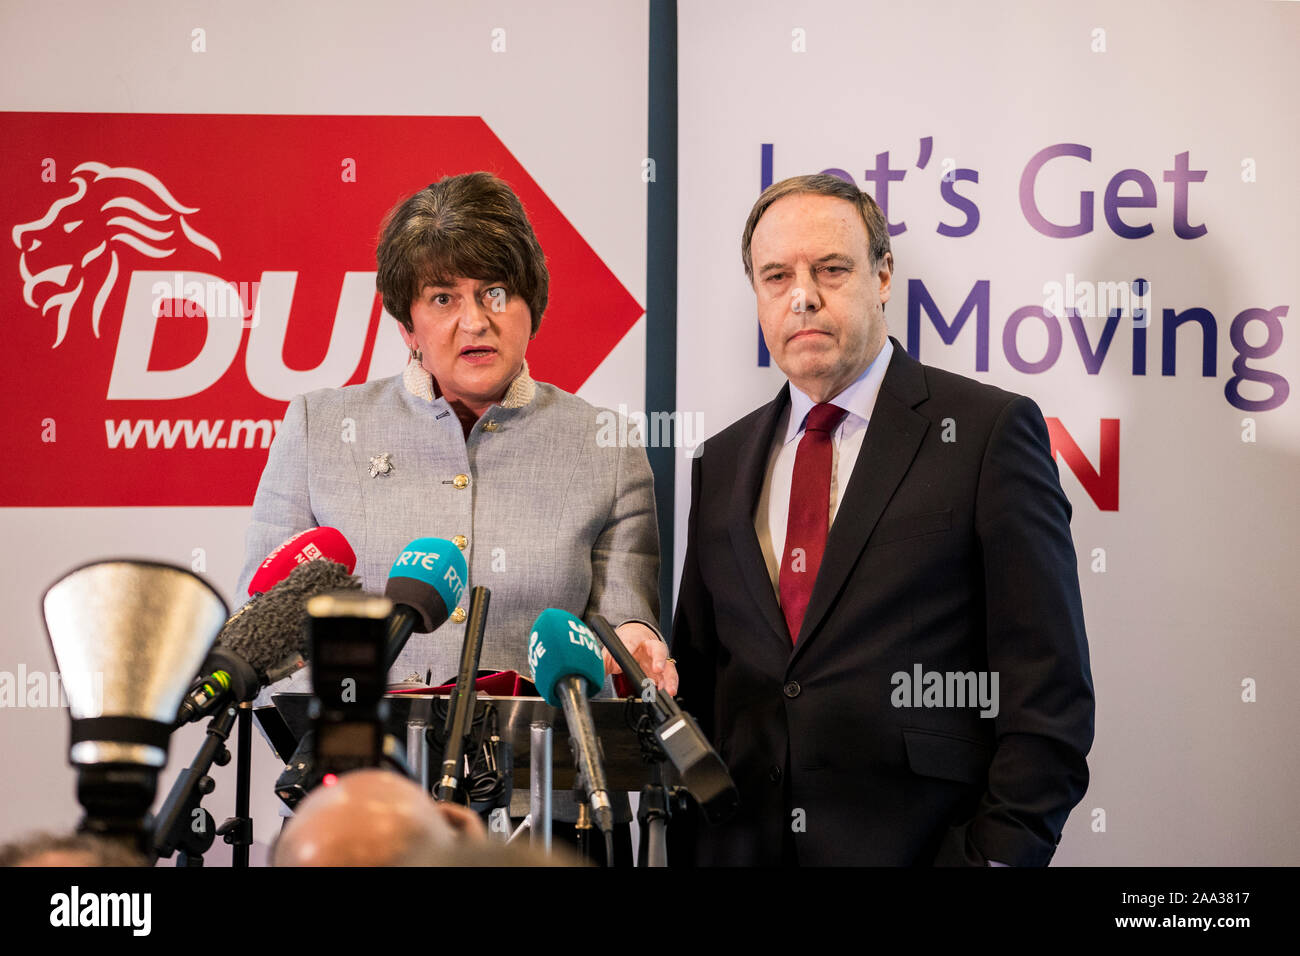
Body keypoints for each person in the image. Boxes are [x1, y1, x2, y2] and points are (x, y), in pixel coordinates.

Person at [670, 174, 1094, 866]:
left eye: (830, 269)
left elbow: (1050, 698)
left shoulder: (987, 434)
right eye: (776, 276)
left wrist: (990, 857)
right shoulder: (719, 462)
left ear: (884, 276)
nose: (802, 295)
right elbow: (698, 683)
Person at [236, 172, 677, 697]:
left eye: (495, 292)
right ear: (407, 326)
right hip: (362, 767)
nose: (475, 321)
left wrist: (634, 642)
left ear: (531, 307)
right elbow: (263, 627)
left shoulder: (607, 445)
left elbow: (624, 618)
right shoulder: (320, 429)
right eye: (443, 299)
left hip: (531, 768)